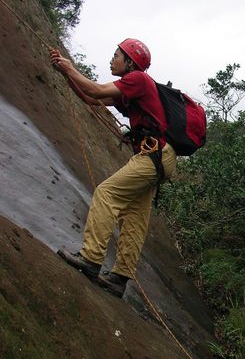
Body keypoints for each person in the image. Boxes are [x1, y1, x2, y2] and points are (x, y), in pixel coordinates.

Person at [50, 39, 177, 297]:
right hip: (161, 158)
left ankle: (91, 259)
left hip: (153, 155)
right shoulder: (132, 89)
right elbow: (91, 98)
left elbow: (96, 90)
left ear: (130, 61)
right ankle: (119, 279)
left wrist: (70, 68)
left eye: (117, 55)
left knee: (106, 194)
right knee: (135, 216)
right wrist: (66, 75)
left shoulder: (138, 79)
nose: (112, 59)